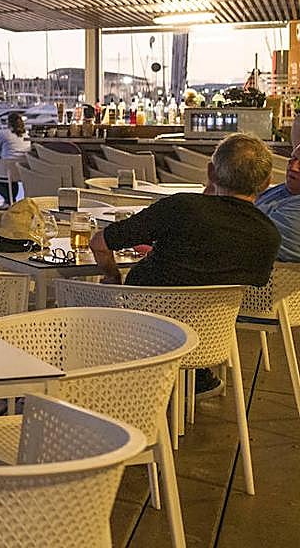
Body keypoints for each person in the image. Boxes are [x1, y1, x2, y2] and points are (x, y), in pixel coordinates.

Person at [90, 133, 280, 395]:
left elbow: (100, 243)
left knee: (77, 296)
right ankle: (196, 378)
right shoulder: (268, 235)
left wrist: (112, 277)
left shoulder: (182, 208)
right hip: (207, 340)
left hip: (141, 333)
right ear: (267, 182)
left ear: (211, 172)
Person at [255, 142, 300, 262]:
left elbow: (249, 240)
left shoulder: (296, 210)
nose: (293, 167)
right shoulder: (285, 189)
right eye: (293, 159)